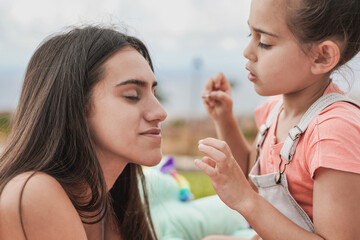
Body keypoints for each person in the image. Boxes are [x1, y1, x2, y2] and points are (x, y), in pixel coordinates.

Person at [195, 0, 360, 239]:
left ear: (322, 57)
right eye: (250, 34)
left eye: (264, 42)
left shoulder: (334, 131)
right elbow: (251, 176)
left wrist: (246, 201)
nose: (247, 51)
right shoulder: (274, 111)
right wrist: (224, 119)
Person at [0, 25, 167, 240]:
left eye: (153, 93)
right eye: (132, 95)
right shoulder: (34, 191)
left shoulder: (107, 205)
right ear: (74, 108)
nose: (160, 112)